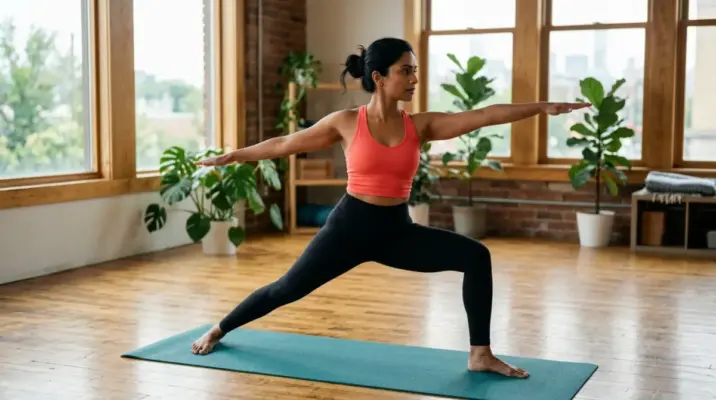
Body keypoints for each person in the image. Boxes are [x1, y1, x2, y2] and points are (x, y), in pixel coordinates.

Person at [190, 37, 588, 379]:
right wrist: (232, 156)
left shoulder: (421, 125)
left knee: (475, 256)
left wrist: (541, 107)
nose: (414, 79)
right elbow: (283, 144)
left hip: (396, 231)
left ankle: (479, 354)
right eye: (405, 71)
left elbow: (482, 116)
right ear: (378, 77)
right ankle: (220, 329)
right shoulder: (345, 122)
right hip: (348, 228)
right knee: (287, 289)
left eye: (414, 71)